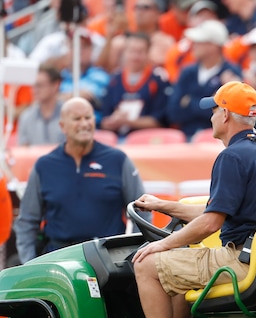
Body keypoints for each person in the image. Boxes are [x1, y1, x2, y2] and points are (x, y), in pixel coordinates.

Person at [121, 82, 256, 318]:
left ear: (225, 114)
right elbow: (215, 213)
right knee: (181, 272)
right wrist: (163, 205)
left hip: (238, 261)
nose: (210, 116)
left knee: (145, 265)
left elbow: (211, 224)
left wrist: (163, 245)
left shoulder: (232, 157)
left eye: (214, 109)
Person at [14, 96, 146, 263]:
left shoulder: (118, 161)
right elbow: (27, 221)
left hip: (107, 258)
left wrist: (132, 256)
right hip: (58, 259)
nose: (84, 124)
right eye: (77, 119)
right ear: (62, 126)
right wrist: (29, 264)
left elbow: (141, 211)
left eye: (88, 117)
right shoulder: (44, 166)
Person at [167, 20, 242, 138]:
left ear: (214, 45)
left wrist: (189, 102)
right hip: (187, 137)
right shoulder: (188, 72)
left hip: (218, 139)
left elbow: (228, 116)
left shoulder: (231, 72)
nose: (194, 45)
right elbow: (174, 112)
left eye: (199, 42)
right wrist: (211, 105)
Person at [100, 32, 170, 136]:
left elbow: (160, 121)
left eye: (140, 52)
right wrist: (112, 121)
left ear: (148, 53)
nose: (135, 56)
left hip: (148, 139)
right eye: (131, 51)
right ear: (124, 52)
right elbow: (103, 120)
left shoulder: (159, 79)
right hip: (117, 138)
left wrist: (128, 121)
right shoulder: (114, 79)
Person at [16, 64, 65, 146]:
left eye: (40, 85)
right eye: (33, 86)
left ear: (56, 85)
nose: (35, 90)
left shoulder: (69, 114)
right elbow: (23, 151)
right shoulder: (26, 117)